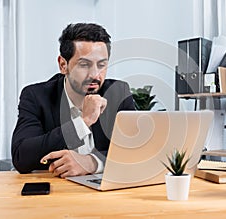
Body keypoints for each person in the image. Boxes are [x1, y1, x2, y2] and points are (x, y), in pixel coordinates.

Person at [11, 23, 135, 178]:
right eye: (84, 65)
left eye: (102, 65)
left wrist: (92, 162)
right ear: (63, 65)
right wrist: (83, 122)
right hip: (56, 193)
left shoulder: (118, 92)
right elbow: (21, 157)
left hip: (106, 193)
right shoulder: (36, 96)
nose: (95, 75)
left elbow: (136, 150)